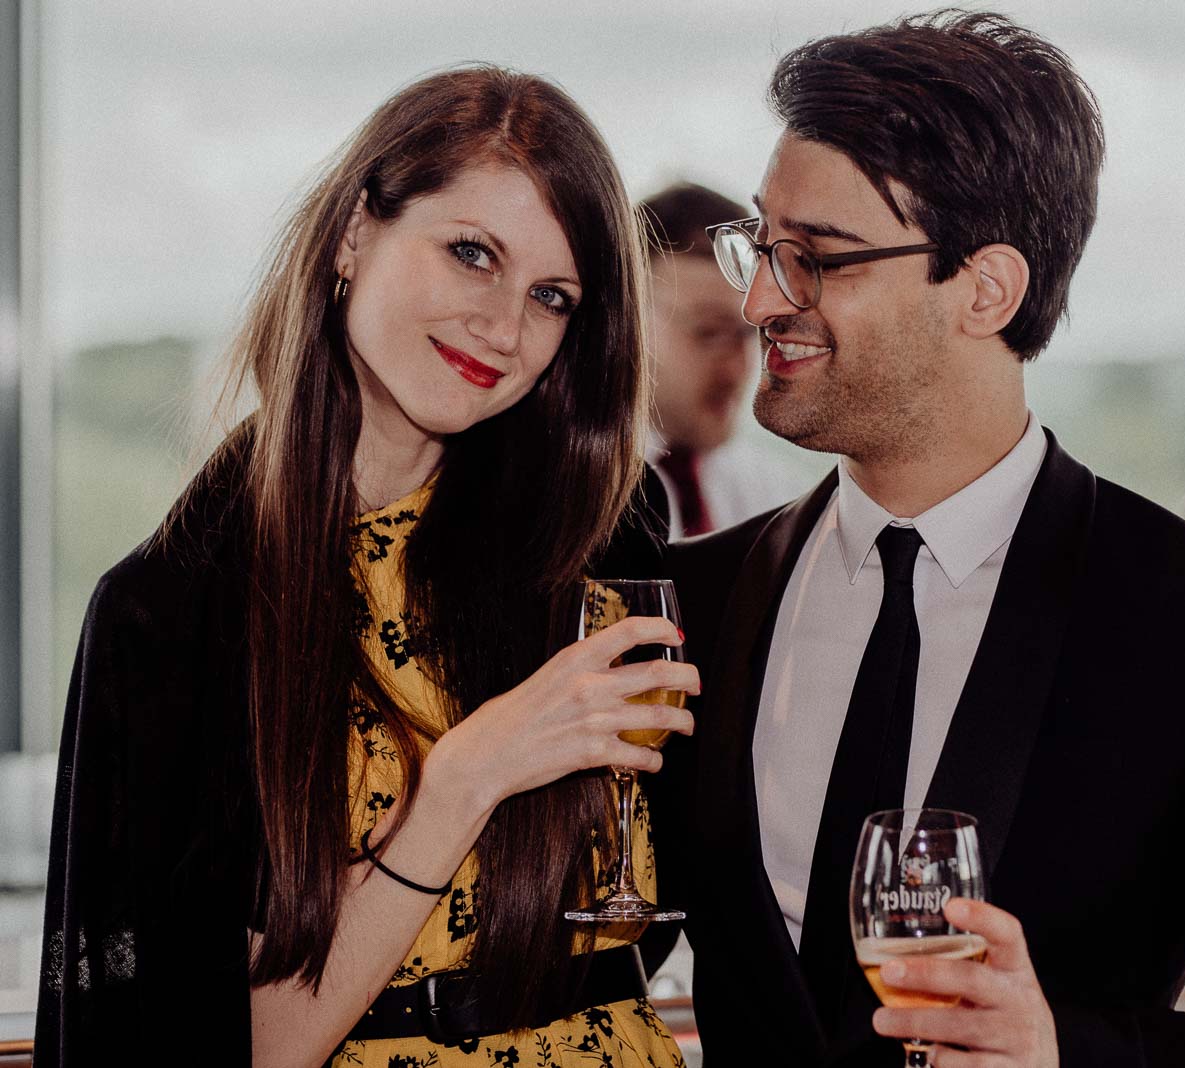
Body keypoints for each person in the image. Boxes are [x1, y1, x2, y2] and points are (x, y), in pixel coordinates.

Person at [662, 12, 1185, 1066]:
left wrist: (1066, 1051)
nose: (759, 299)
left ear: (986, 288)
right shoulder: (693, 596)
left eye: (816, 260)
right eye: (763, 247)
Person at [35, 66, 697, 1067]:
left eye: (551, 296)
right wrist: (465, 779)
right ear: (354, 235)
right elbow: (224, 1044)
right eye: (471, 252)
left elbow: (672, 889)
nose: (505, 328)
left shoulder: (603, 538)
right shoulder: (170, 613)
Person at [639, 182, 814, 537]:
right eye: (710, 333)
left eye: (750, 334)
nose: (737, 369)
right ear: (627, 323)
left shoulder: (776, 499)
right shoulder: (558, 484)